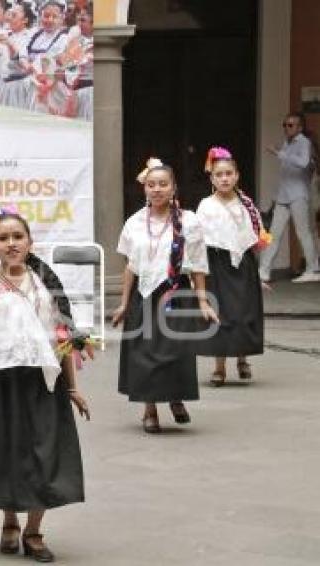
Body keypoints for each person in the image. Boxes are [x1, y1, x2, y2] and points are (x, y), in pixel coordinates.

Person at [0, 210, 93, 563]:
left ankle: (34, 531)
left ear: (30, 241)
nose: (12, 244)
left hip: (44, 384)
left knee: (46, 455)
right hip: (1, 384)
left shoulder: (47, 283)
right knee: (6, 454)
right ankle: (9, 521)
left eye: (18, 237)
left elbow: (61, 339)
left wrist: (72, 388)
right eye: (4, 238)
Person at [112, 158, 219, 433]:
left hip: (176, 295)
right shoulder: (134, 223)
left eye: (163, 184)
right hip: (144, 296)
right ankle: (149, 410)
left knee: (176, 352)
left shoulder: (189, 221)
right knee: (145, 354)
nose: (157, 189)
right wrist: (124, 304)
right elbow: (130, 267)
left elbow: (197, 265)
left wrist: (203, 301)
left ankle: (175, 397)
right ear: (145, 189)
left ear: (173, 188)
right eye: (151, 185)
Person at [196, 147, 267, 385]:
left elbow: (254, 237)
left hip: (244, 264)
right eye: (219, 174)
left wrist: (259, 274)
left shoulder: (246, 203)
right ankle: (219, 366)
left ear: (236, 175)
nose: (224, 178)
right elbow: (198, 242)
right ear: (212, 178)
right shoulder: (206, 206)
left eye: (229, 173)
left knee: (245, 312)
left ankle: (242, 358)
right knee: (222, 315)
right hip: (217, 264)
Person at [259, 112, 320, 283]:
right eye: (285, 125)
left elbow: (303, 163)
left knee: (303, 232)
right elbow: (286, 171)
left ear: (300, 127)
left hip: (299, 195)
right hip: (283, 196)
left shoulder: (304, 142)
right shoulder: (288, 143)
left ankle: (313, 269)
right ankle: (263, 270)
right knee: (274, 234)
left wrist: (279, 153)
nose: (287, 128)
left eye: (291, 125)